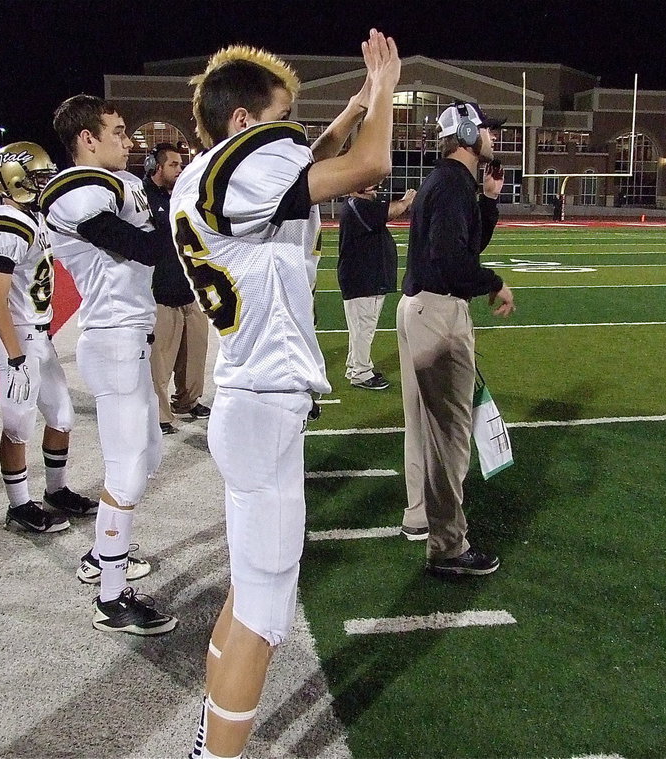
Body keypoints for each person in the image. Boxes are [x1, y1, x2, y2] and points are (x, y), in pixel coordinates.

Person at [170, 29, 400, 759]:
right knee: (265, 612)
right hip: (264, 401)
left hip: (248, 396)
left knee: (247, 591)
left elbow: (312, 162)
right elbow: (369, 164)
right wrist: (387, 96)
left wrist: (356, 103)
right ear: (242, 125)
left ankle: (210, 739)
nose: (291, 139)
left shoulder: (202, 174)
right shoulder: (245, 165)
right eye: (278, 122)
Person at [40, 94, 176, 635]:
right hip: (114, 336)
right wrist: (196, 226)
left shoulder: (117, 184)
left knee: (148, 455)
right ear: (86, 140)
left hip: (131, 335)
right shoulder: (80, 186)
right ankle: (112, 599)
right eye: (117, 131)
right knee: (126, 467)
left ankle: (102, 555)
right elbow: (135, 247)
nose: (128, 139)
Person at [396, 101, 515, 573]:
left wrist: (487, 200)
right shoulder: (449, 185)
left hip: (421, 307)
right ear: (466, 131)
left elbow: (466, 244)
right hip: (438, 312)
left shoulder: (452, 182)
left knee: (425, 428)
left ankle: (419, 516)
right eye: (487, 129)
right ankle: (448, 546)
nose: (494, 137)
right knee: (449, 436)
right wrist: (494, 282)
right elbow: (454, 260)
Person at [0, 142, 99, 533]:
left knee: (61, 416)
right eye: (37, 177)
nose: (44, 183)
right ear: (14, 180)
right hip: (16, 335)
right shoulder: (1, 221)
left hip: (37, 334)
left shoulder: (31, 218)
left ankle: (56, 490)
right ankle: (19, 505)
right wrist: (13, 358)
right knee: (18, 424)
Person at [142, 142, 211, 435]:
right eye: (173, 165)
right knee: (160, 362)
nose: (180, 169)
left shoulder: (182, 195)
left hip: (189, 289)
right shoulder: (143, 198)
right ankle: (160, 415)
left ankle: (187, 401)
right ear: (156, 168)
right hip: (160, 294)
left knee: (194, 357)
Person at [338, 183, 415, 390]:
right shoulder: (357, 205)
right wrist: (407, 201)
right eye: (368, 184)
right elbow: (389, 212)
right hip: (363, 279)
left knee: (360, 328)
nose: (375, 189)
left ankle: (355, 367)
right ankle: (361, 373)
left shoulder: (358, 206)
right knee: (364, 328)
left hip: (365, 279)